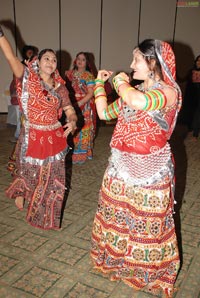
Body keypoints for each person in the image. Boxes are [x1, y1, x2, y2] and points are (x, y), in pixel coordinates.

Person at [90, 39, 182, 297]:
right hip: (120, 167)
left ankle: (147, 272)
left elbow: (139, 102)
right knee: (116, 219)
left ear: (153, 62)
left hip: (150, 172)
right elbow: (104, 113)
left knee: (146, 224)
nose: (131, 65)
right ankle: (117, 262)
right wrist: (99, 84)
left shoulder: (169, 92)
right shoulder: (134, 91)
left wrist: (119, 80)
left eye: (137, 59)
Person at [0, 24, 77, 230]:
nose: (51, 62)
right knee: (31, 172)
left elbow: (69, 109)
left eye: (54, 59)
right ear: (38, 62)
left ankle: (46, 216)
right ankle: (23, 191)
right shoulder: (28, 79)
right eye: (46, 58)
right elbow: (10, 58)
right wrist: (1, 36)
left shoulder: (60, 88)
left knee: (54, 177)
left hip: (55, 135)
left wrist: (73, 119)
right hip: (33, 134)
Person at [65, 52, 96, 164]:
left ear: (87, 62)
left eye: (83, 59)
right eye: (78, 58)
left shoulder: (88, 76)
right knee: (70, 127)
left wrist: (79, 104)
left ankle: (81, 154)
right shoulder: (69, 74)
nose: (80, 61)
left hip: (84, 105)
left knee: (83, 129)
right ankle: (70, 151)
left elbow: (90, 93)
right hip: (70, 105)